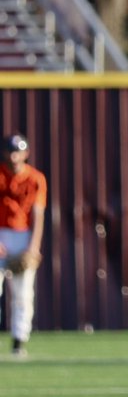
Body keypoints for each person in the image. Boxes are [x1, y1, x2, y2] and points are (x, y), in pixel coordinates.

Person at [0, 133, 47, 358]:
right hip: (1, 233)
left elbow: (38, 213)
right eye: (10, 150)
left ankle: (19, 342)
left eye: (18, 151)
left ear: (26, 153)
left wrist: (33, 247)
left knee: (23, 293)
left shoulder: (36, 178)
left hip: (23, 235)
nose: (14, 155)